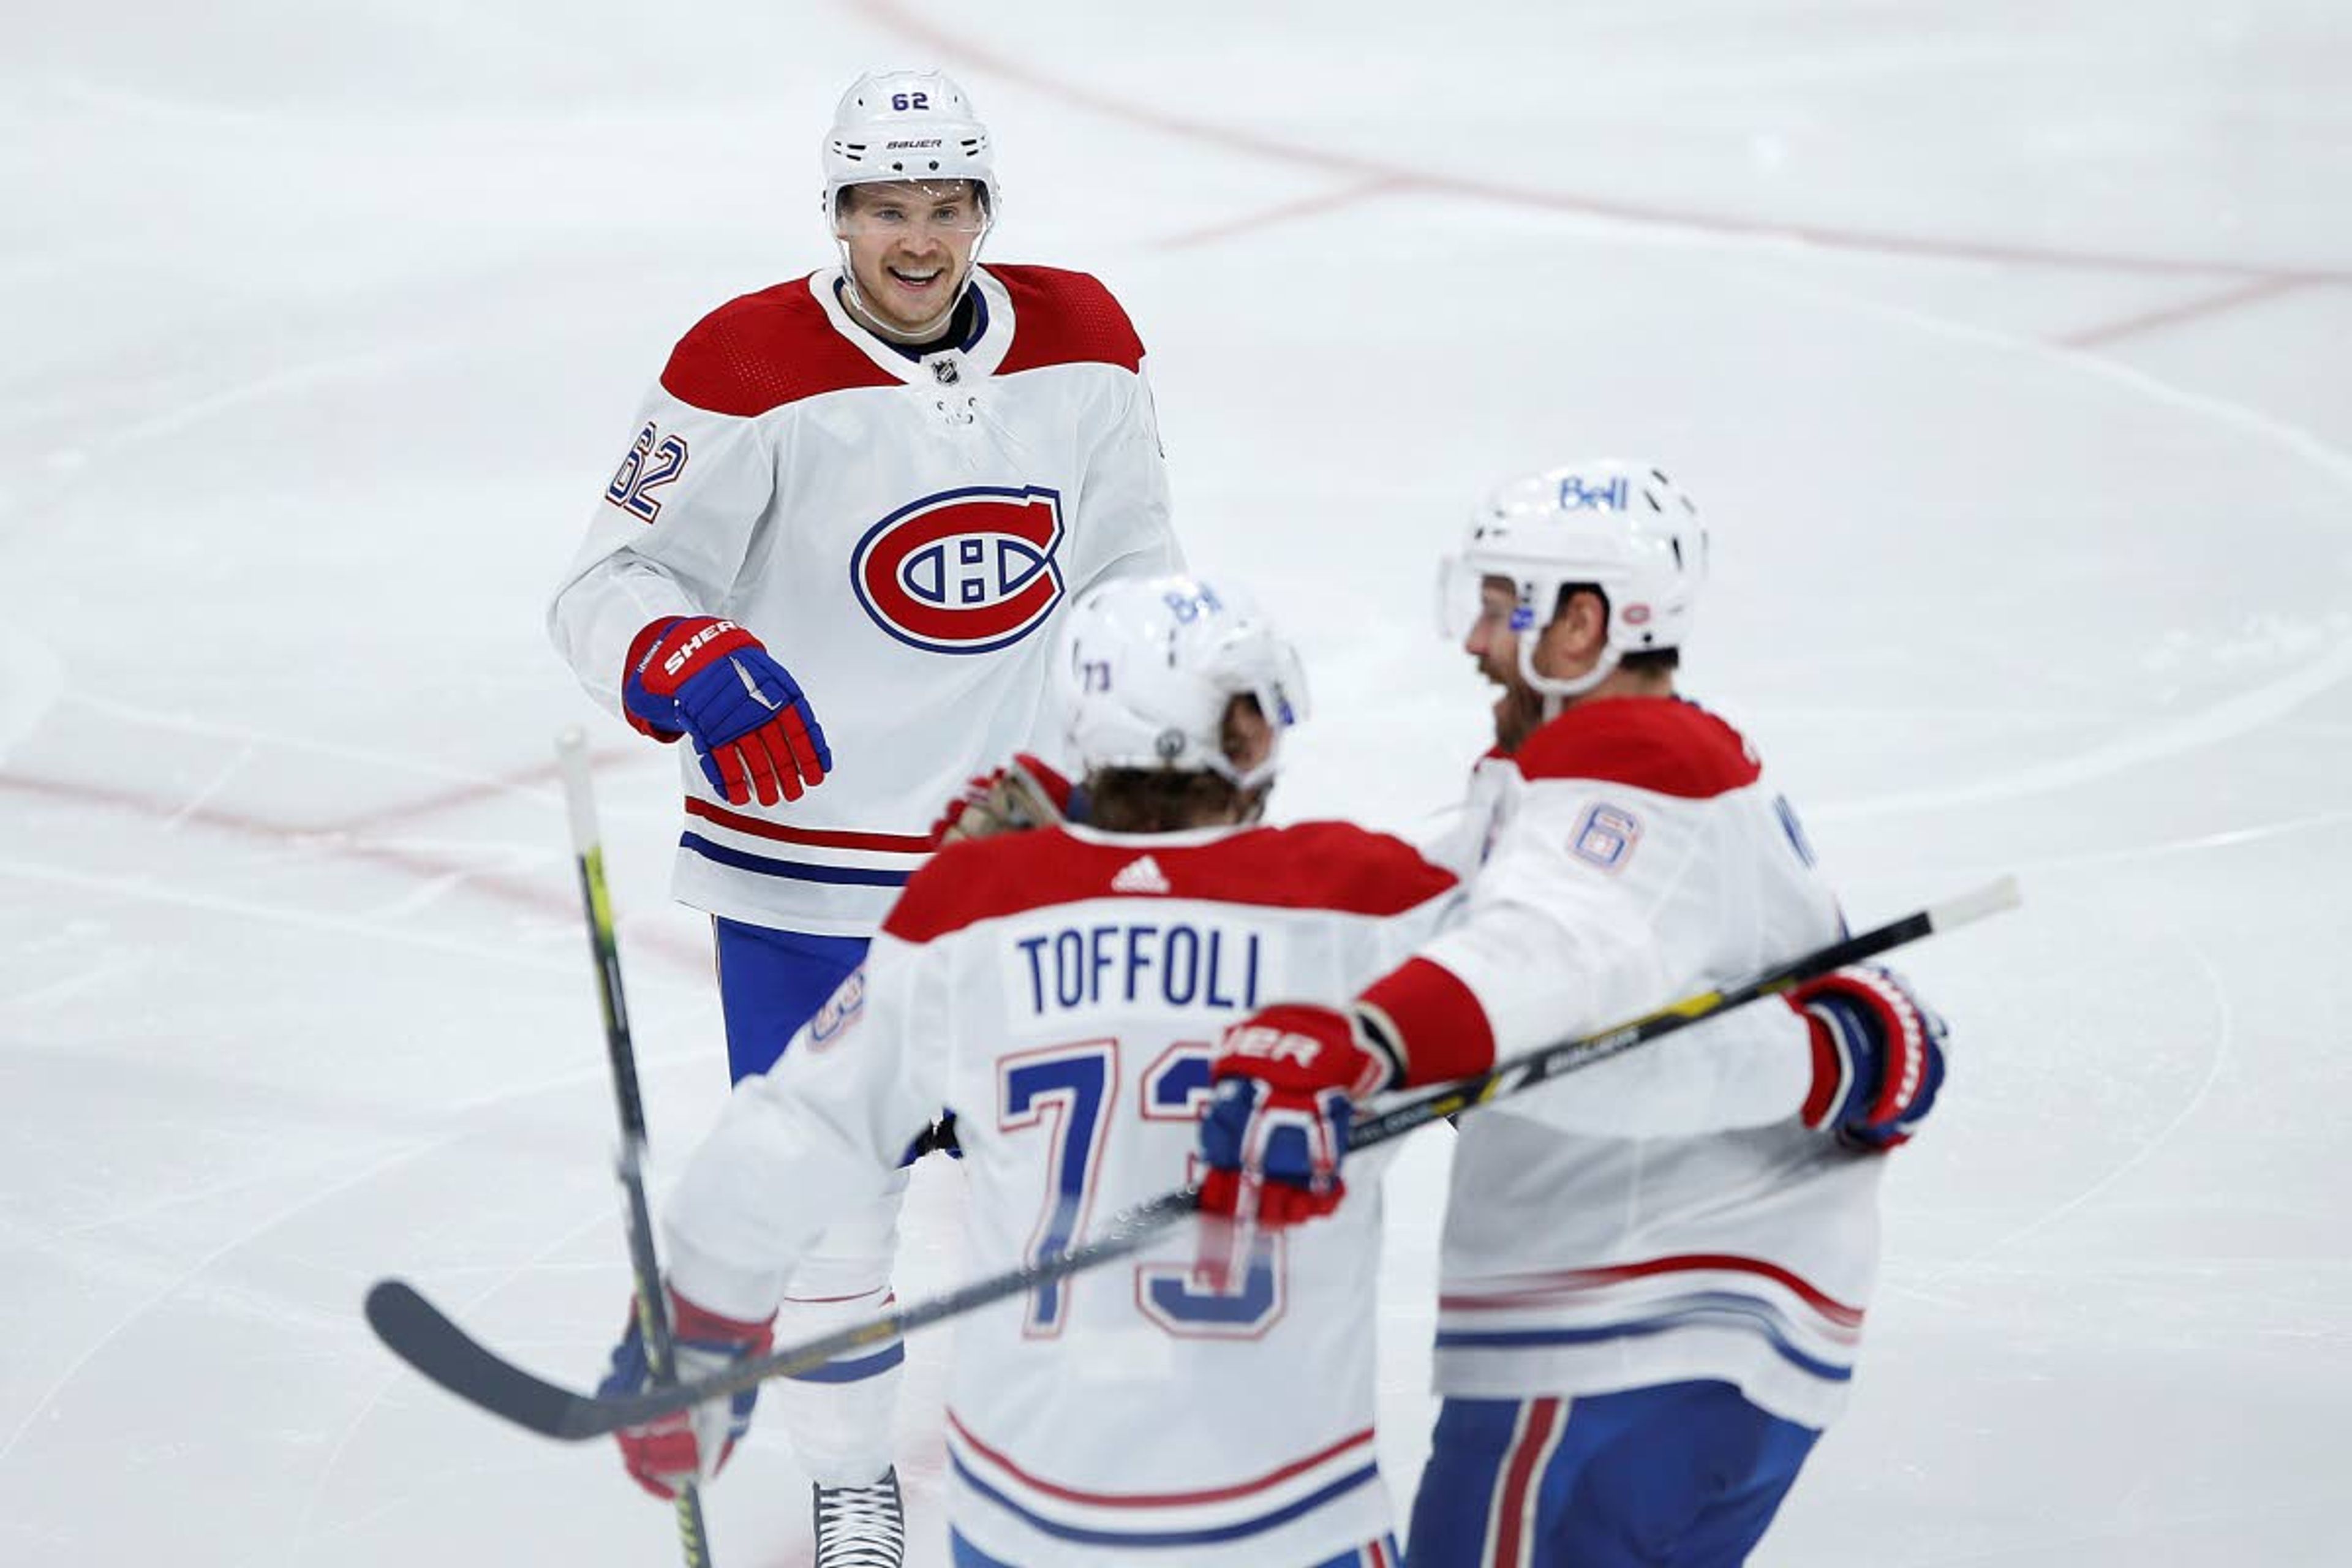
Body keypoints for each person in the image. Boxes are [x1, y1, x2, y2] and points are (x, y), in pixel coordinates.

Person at [546, 67, 1183, 1562]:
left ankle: (1074, 1469)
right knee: (838, 1214)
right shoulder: (745, 358)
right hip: (804, 869)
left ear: (984, 211)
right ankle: (851, 1478)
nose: (918, 238)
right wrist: (679, 651)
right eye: (885, 207)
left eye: (946, 206)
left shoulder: (1085, 337)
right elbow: (604, 582)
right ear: (836, 213)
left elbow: (1135, 559)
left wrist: (1154, 710)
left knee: (1065, 1188)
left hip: (1020, 859)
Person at [597, 574, 1463, 1567]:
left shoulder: (973, 908)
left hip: (1032, 1520)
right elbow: (1548, 956)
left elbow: (798, 1132)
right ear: (1210, 740)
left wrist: (700, 1323)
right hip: (1288, 1514)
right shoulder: (1362, 902)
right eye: (1252, 714)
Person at [1197, 462, 1950, 1567]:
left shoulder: (1633, 773)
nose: (1476, 642)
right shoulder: (1606, 777)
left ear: (1584, 624)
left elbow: (1539, 955)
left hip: (1625, 1331)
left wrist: (1369, 1045)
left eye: (1503, 607)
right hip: (1683, 1340)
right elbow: (1412, 895)